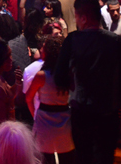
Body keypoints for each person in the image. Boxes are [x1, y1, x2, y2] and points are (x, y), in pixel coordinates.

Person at [54, 0, 121, 164]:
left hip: (81, 110)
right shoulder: (115, 41)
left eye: (76, 17)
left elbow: (59, 76)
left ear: (84, 18)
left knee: (83, 156)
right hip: (108, 111)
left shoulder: (73, 40)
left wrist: (66, 84)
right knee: (105, 156)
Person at [25, 35, 74, 163]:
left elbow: (28, 98)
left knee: (45, 159)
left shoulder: (41, 76)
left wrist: (35, 115)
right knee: (67, 159)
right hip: (65, 121)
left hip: (44, 123)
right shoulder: (69, 74)